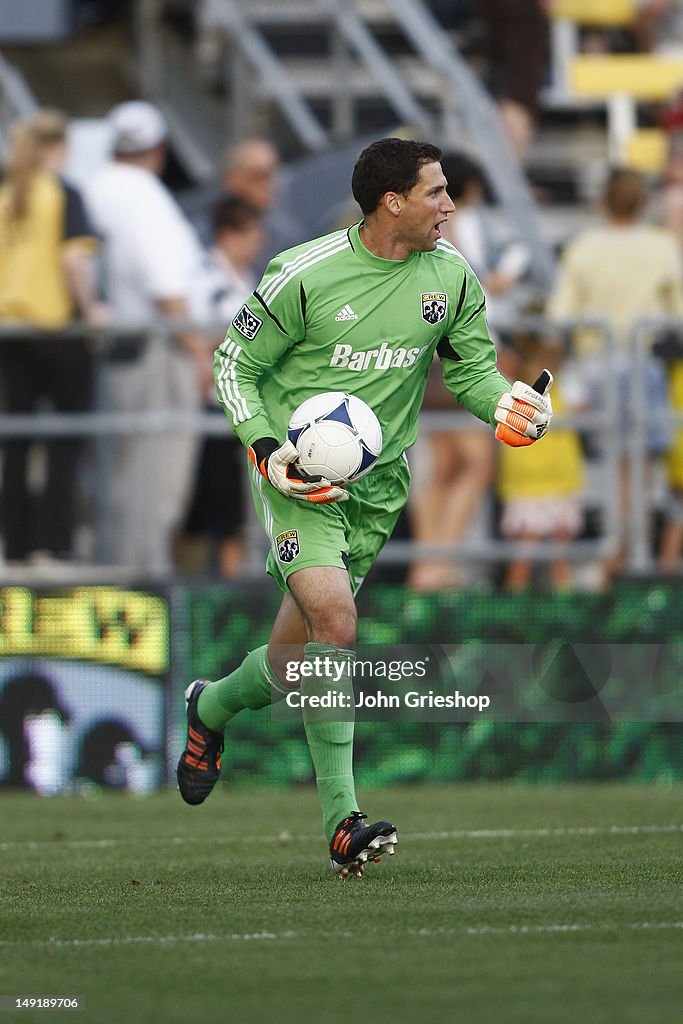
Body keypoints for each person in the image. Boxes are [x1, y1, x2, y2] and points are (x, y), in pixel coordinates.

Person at [175, 137, 553, 877]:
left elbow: (472, 370)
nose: (450, 206)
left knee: (295, 665)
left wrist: (503, 406)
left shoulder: (450, 277)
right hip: (297, 480)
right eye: (437, 192)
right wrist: (264, 449)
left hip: (376, 492)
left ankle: (210, 708)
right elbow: (233, 365)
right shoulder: (304, 274)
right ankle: (343, 822)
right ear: (393, 202)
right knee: (338, 622)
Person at [85, 100, 214, 570]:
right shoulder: (145, 197)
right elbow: (166, 286)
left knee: (119, 474)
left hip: (120, 349)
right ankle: (144, 579)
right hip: (160, 349)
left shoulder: (95, 188)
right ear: (158, 149)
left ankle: (124, 569)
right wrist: (199, 353)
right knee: (156, 478)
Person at [547, 167, 683, 585]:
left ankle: (616, 553)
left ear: (603, 201)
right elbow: (677, 311)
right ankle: (627, 553)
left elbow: (559, 315)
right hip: (644, 364)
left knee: (610, 466)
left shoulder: (584, 247)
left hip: (596, 366)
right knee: (640, 468)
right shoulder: (661, 246)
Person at [407, 152, 529, 591]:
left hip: (428, 355)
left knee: (442, 465)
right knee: (475, 464)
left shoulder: (420, 227)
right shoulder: (459, 227)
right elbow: (477, 291)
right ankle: (438, 563)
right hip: (460, 355)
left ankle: (428, 565)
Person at [0, 108, 107, 565]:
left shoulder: (9, 194)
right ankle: (53, 541)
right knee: (67, 439)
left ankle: (16, 544)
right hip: (56, 329)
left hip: (9, 331)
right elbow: (73, 261)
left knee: (16, 443)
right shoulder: (63, 193)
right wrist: (93, 311)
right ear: (55, 148)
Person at [178, 196, 266, 577]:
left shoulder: (241, 279)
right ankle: (191, 585)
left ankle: (219, 584)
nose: (258, 243)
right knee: (202, 504)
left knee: (228, 505)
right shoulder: (205, 280)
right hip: (210, 405)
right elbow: (198, 334)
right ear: (229, 234)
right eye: (252, 234)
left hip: (236, 406)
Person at [181, 137, 305, 270]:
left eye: (274, 173)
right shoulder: (200, 230)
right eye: (259, 175)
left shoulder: (284, 233)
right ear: (232, 179)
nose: (271, 184)